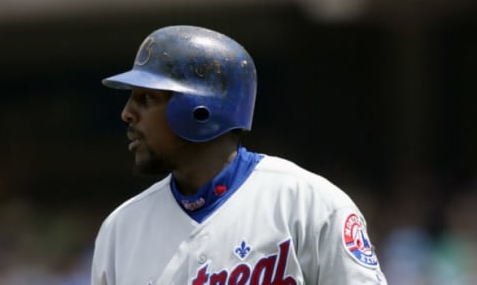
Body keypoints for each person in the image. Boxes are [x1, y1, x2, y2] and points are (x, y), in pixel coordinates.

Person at [91, 25, 388, 284]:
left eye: (146, 98)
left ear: (199, 109)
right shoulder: (121, 229)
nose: (127, 113)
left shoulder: (307, 203)